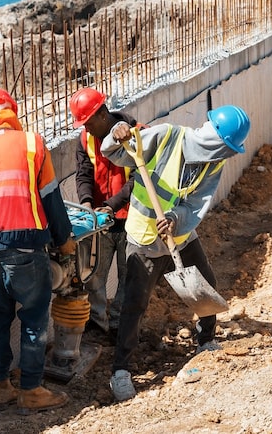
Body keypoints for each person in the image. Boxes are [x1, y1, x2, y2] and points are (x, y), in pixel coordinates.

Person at [100, 104, 251, 401]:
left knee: (205, 284)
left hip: (179, 236)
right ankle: (121, 371)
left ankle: (205, 341)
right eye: (226, 147)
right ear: (214, 140)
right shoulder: (167, 136)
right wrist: (115, 136)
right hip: (144, 238)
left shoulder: (214, 162)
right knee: (135, 306)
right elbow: (114, 153)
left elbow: (196, 203)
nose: (227, 154)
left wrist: (175, 218)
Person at [0, 87, 77, 414]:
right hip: (25, 248)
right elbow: (51, 197)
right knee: (34, 318)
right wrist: (64, 239)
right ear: (12, 112)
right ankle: (31, 390)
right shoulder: (32, 144)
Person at [70, 88, 144, 337]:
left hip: (132, 219)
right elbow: (83, 174)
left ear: (102, 114)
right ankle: (98, 326)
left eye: (88, 122)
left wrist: (112, 204)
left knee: (127, 277)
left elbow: (139, 180)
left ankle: (119, 327)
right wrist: (87, 203)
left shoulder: (136, 133)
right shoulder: (85, 139)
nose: (86, 129)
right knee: (94, 276)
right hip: (100, 222)